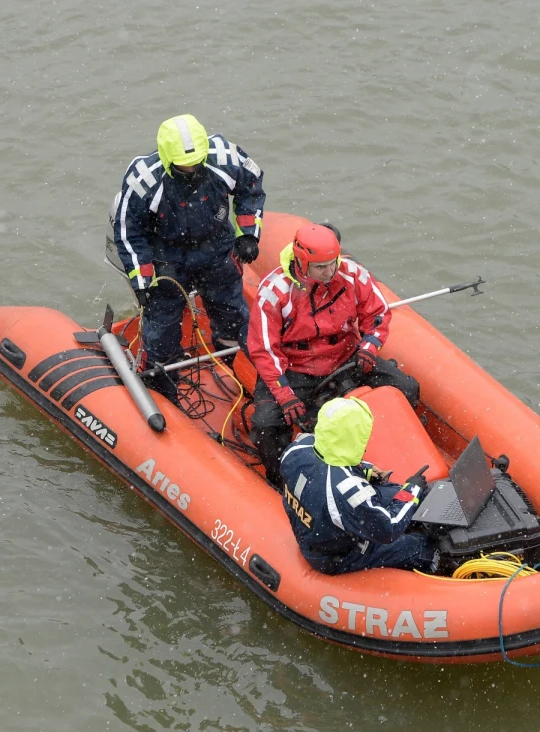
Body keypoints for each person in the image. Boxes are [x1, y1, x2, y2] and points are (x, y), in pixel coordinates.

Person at [247, 223, 419, 485]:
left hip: (347, 357)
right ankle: (283, 481)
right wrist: (285, 395)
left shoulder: (352, 275)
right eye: (321, 267)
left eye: (332, 263)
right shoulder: (275, 293)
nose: (329, 272)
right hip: (296, 369)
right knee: (266, 426)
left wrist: (370, 347)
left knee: (407, 388)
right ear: (302, 262)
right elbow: (265, 350)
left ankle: (400, 447)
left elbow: (378, 313)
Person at [112, 114, 266, 401]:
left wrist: (248, 234)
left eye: (198, 161)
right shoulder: (145, 179)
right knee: (161, 331)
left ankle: (242, 374)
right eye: (186, 164)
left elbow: (251, 187)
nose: (194, 168)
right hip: (167, 258)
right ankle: (163, 390)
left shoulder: (224, 157)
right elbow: (128, 232)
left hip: (217, 248)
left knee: (234, 316)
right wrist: (142, 282)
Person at [279, 397, 438, 575]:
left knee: (394, 493)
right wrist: (412, 490)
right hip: (338, 556)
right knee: (419, 546)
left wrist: (366, 470)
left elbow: (323, 464)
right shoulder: (346, 490)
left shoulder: (297, 448)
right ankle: (434, 564)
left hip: (316, 532)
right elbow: (389, 529)